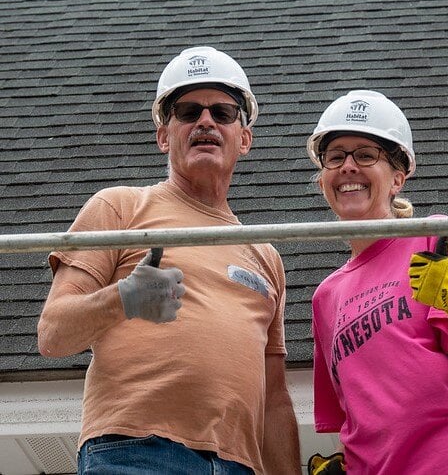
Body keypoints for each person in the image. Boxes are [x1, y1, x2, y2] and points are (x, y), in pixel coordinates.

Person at [37, 46, 301, 474]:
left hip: (239, 465)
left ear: (245, 138)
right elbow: (52, 334)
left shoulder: (265, 255)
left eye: (223, 112)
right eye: (187, 110)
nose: (205, 121)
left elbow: (273, 397)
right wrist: (125, 297)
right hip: (136, 453)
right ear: (164, 135)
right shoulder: (120, 208)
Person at [305, 90, 448, 474]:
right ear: (324, 178)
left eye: (366, 155)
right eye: (335, 156)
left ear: (397, 178)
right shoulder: (327, 297)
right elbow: (353, 417)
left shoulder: (434, 241)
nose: (348, 166)